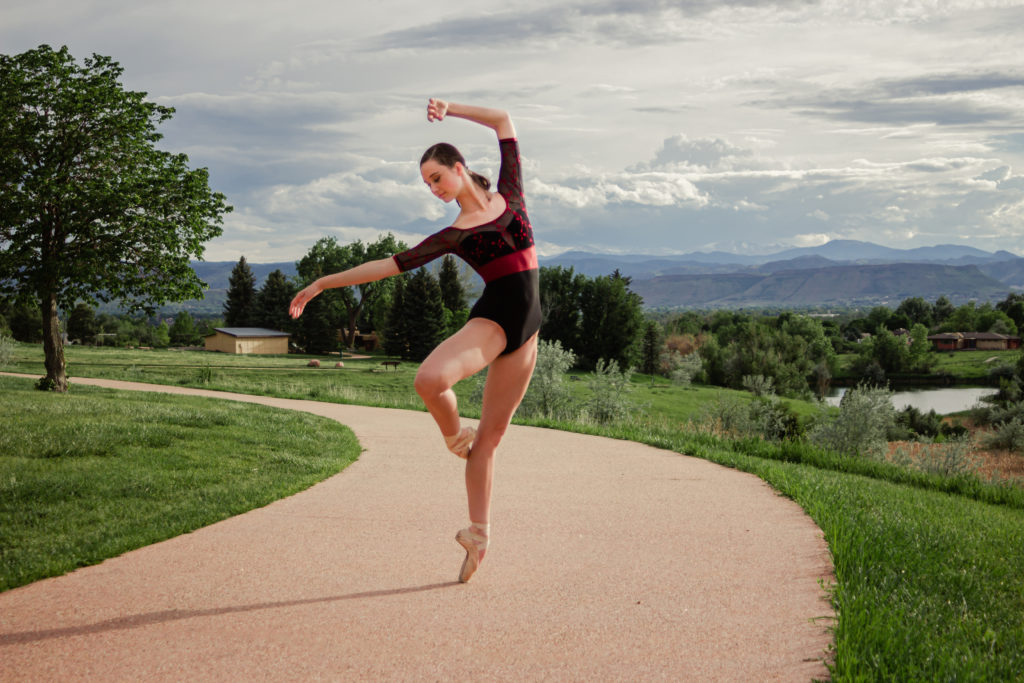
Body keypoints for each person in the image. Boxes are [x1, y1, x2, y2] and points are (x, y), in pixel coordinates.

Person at [289, 99, 540, 583]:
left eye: (436, 178)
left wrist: (450, 107)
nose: (433, 189)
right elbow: (386, 265)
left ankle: (478, 535)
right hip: (494, 322)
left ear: (458, 167)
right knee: (429, 380)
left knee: (492, 441)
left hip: (528, 333)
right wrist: (322, 282)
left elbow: (504, 120)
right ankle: (453, 436)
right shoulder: (452, 235)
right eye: (427, 184)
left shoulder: (510, 191)